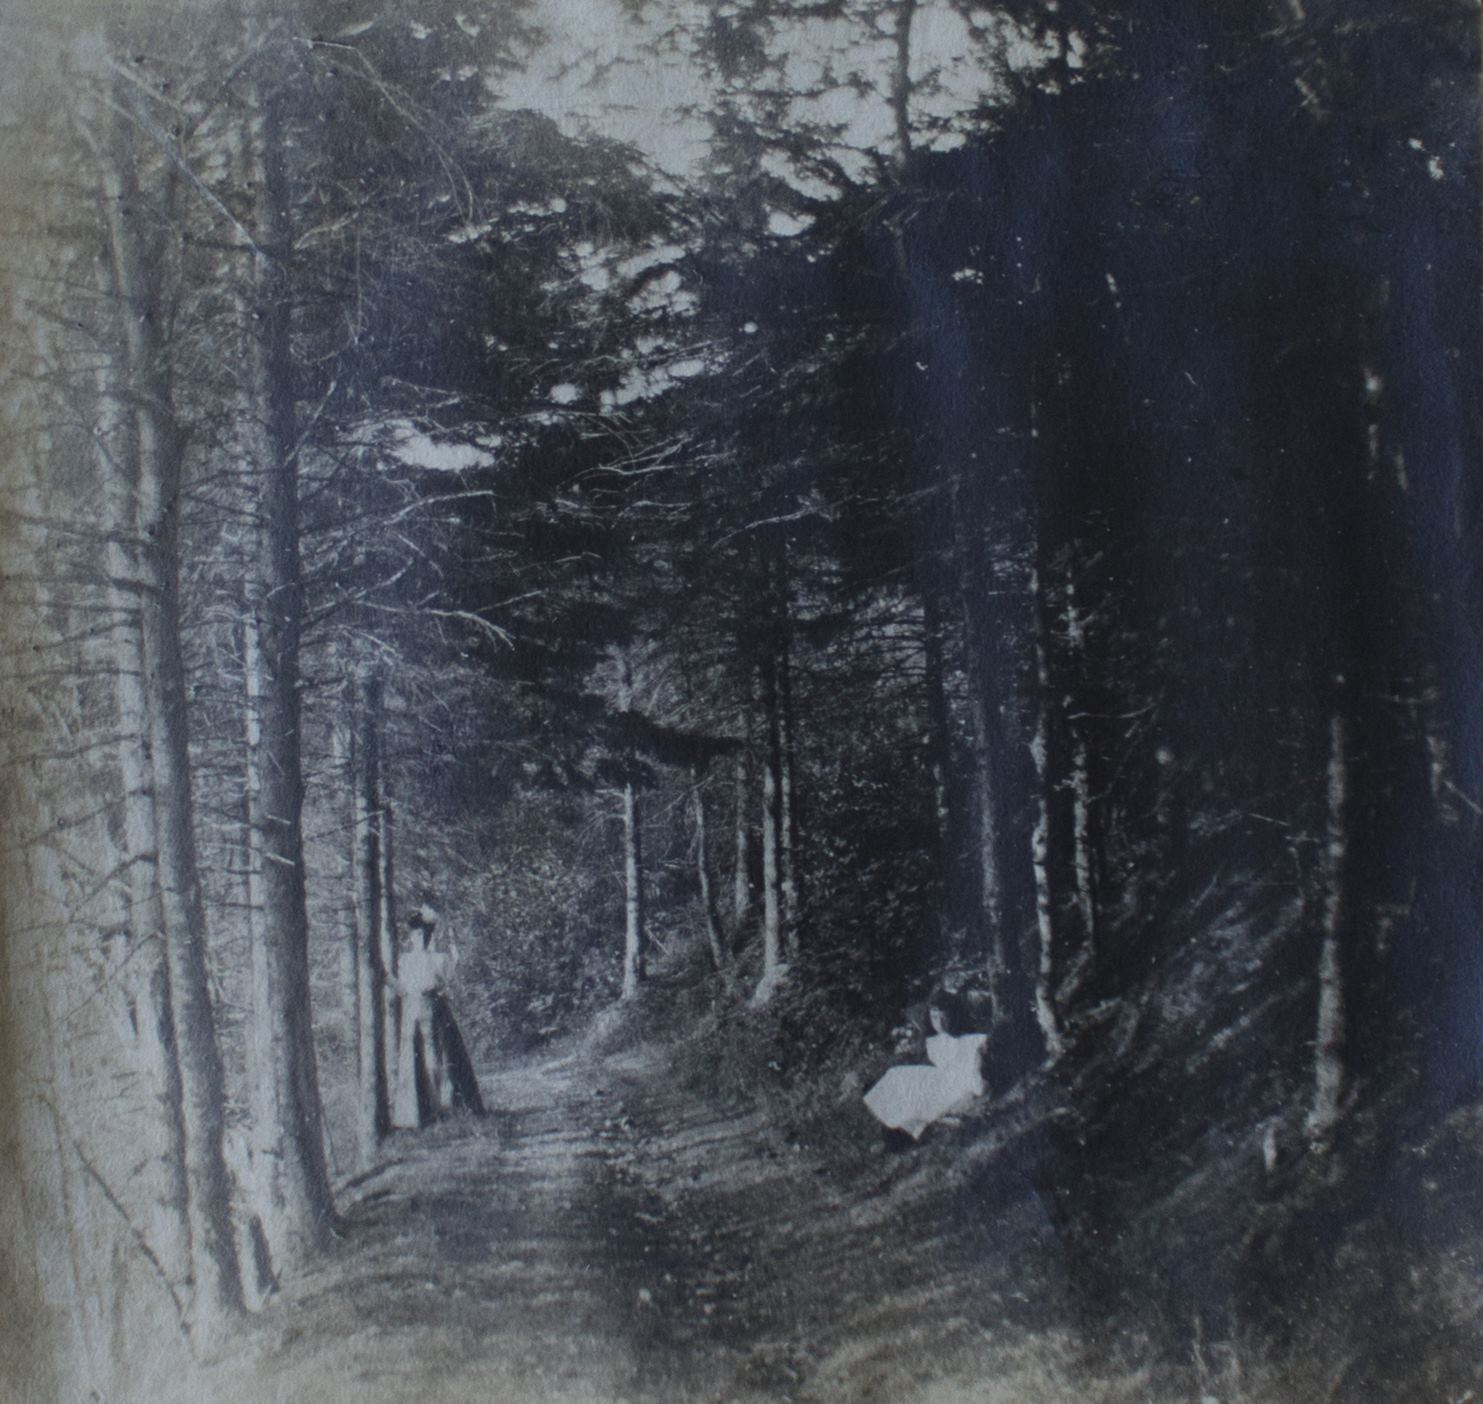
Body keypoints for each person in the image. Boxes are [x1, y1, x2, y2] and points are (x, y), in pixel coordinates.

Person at [393, 904, 484, 1128]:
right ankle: (419, 1113)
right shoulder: (404, 961)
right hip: (413, 1010)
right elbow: (401, 987)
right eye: (417, 933)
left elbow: (449, 975)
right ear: (411, 935)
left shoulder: (438, 959)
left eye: (425, 933)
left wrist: (439, 990)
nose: (421, 938)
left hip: (436, 1009)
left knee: (441, 1057)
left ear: (430, 935)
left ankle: (448, 1107)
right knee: (418, 1057)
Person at [863, 989, 989, 1144]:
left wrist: (972, 1090)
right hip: (942, 1079)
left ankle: (916, 1130)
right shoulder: (935, 1042)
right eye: (934, 1017)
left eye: (944, 1016)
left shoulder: (972, 1040)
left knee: (915, 1091)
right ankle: (901, 1130)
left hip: (956, 1086)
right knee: (896, 1076)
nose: (939, 1022)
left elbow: (971, 1072)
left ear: (953, 1015)